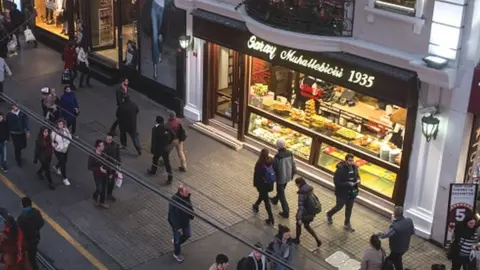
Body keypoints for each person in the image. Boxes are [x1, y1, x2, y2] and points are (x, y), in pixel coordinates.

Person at [326, 153, 360, 232]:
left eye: (352, 160)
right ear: (346, 160)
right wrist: (347, 184)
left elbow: (357, 176)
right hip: (342, 193)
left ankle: (347, 224)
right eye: (349, 161)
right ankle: (329, 214)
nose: (351, 162)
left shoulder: (354, 167)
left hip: (352, 192)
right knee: (339, 207)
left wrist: (358, 180)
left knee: (349, 209)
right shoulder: (340, 169)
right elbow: (337, 182)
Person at [292, 177, 322, 248]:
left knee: (298, 224)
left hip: (305, 214)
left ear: (299, 184)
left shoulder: (302, 193)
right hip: (311, 213)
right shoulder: (310, 189)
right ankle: (317, 240)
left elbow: (301, 207)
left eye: (296, 184)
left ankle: (297, 239)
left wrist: (299, 218)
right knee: (307, 226)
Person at [168, 184, 194, 263]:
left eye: (187, 191)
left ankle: (176, 243)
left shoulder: (186, 197)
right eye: (186, 192)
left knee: (187, 234)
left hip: (185, 220)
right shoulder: (174, 201)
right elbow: (173, 216)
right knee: (177, 239)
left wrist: (191, 214)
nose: (188, 193)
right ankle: (177, 253)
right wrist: (177, 227)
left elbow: (189, 206)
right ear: (180, 192)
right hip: (177, 224)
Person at [270, 139, 296, 219]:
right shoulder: (290, 153)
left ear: (277, 146)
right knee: (281, 190)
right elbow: (294, 165)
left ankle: (286, 211)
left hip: (280, 178)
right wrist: (292, 174)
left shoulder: (278, 156)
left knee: (281, 194)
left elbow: (274, 167)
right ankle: (275, 200)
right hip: (287, 176)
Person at [17, 197, 44, 270]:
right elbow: (42, 223)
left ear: (23, 205)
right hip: (36, 238)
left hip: (27, 241)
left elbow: (19, 230)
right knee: (32, 255)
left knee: (31, 259)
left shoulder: (21, 218)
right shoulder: (36, 212)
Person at [147, 116, 173, 183]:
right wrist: (168, 142)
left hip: (158, 148)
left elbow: (154, 140)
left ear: (156, 121)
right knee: (167, 163)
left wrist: (152, 149)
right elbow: (173, 134)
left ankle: (153, 171)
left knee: (155, 159)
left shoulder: (155, 129)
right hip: (165, 148)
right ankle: (170, 178)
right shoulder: (166, 127)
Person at [252, 148, 274, 225]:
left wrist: (255, 184)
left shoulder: (259, 164)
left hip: (262, 185)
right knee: (262, 195)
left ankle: (271, 217)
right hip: (269, 184)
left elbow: (256, 175)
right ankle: (256, 205)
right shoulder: (271, 160)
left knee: (266, 201)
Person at [88, 140, 110, 209]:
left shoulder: (104, 154)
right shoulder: (92, 156)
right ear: (97, 147)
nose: (103, 147)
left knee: (104, 189)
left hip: (105, 174)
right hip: (97, 175)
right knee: (99, 188)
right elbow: (89, 167)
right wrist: (99, 169)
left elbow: (107, 163)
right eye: (102, 146)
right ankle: (95, 196)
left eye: (103, 145)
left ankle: (102, 202)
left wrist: (109, 172)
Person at [51, 119, 72, 186]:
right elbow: (52, 141)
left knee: (65, 160)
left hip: (65, 149)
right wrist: (55, 146)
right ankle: (64, 178)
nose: (61, 125)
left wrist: (67, 144)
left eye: (62, 124)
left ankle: (56, 167)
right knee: (63, 163)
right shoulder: (54, 133)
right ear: (57, 125)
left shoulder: (66, 130)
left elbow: (70, 137)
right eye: (59, 124)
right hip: (58, 150)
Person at [104, 131, 121, 202]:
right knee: (105, 181)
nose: (108, 141)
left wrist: (119, 164)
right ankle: (102, 194)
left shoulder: (116, 145)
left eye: (110, 140)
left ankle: (109, 194)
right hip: (105, 166)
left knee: (111, 182)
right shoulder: (103, 145)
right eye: (107, 139)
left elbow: (118, 156)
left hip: (113, 166)